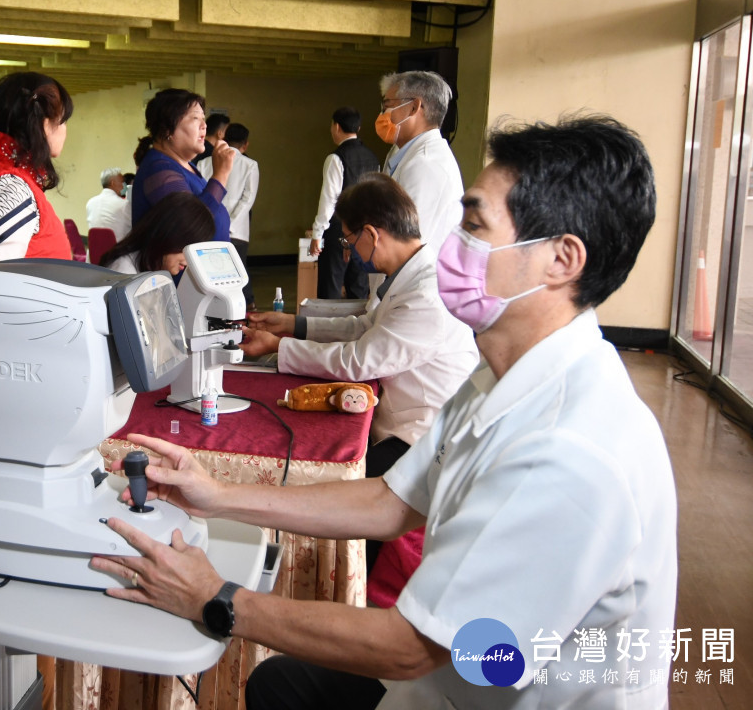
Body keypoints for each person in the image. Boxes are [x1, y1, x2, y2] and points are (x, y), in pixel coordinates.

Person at [93, 115, 676, 710]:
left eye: (473, 226)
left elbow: (414, 646)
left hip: (472, 688)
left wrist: (217, 599)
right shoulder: (497, 377)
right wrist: (218, 493)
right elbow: (392, 501)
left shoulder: (570, 451)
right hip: (442, 687)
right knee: (278, 684)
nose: (451, 243)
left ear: (561, 260)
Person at [241, 173, 478, 574]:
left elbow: (358, 360)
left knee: (335, 494)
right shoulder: (408, 274)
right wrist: (293, 325)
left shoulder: (426, 295)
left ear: (373, 233)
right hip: (407, 415)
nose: (351, 253)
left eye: (350, 242)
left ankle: (340, 580)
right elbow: (365, 328)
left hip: (423, 435)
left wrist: (279, 347)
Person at [0, 72, 73, 265]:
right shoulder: (9, 187)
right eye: (63, 120)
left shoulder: (3, 175)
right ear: (43, 123)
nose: (65, 129)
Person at [130, 88, 233, 242]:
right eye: (195, 118)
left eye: (203, 118)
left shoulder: (186, 166)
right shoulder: (159, 169)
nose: (204, 125)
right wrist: (221, 175)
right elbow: (190, 227)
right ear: (167, 129)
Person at [375, 71, 463, 247]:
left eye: (387, 106)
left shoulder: (427, 164)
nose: (382, 115)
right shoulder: (401, 152)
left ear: (414, 107)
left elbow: (404, 242)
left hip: (410, 273)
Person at [308, 108, 379, 299]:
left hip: (338, 231)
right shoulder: (373, 158)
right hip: (364, 232)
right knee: (359, 288)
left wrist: (317, 233)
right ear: (358, 127)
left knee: (330, 287)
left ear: (336, 126)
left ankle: (327, 327)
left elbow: (329, 199)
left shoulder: (336, 158)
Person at [199, 122, 259, 308]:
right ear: (246, 144)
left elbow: (201, 195)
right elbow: (247, 200)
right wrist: (229, 224)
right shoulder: (250, 165)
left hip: (207, 228)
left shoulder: (204, 163)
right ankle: (240, 311)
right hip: (237, 231)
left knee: (209, 276)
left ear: (223, 138)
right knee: (236, 275)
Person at [99, 193, 214, 276]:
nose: (189, 261)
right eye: (188, 248)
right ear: (171, 237)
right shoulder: (124, 273)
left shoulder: (153, 269)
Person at [86, 166, 128, 232]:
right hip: (120, 242)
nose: (124, 185)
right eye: (122, 182)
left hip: (95, 242)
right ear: (112, 183)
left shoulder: (90, 203)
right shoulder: (123, 204)